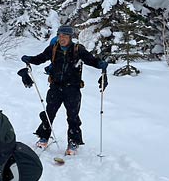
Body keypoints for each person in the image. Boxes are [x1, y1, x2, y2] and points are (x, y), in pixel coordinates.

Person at [21, 25, 109, 155]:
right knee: (49, 113)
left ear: (70, 37)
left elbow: (91, 60)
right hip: (55, 87)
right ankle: (44, 137)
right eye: (60, 36)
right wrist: (30, 59)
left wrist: (100, 64)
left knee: (73, 116)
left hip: (72, 89)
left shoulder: (78, 50)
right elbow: (40, 58)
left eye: (65, 36)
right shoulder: (53, 48)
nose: (61, 39)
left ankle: (73, 141)